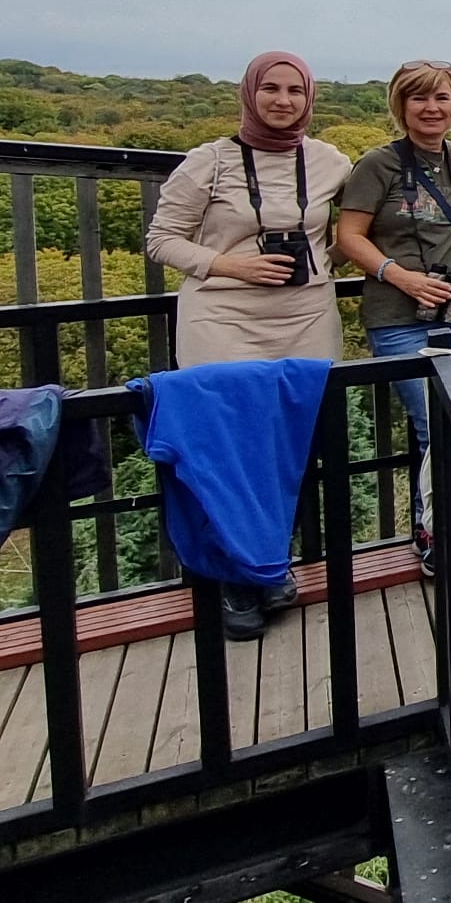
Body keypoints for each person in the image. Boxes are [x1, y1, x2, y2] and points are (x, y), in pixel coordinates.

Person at [144, 50, 351, 639]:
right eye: (272, 89)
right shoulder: (207, 162)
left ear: (311, 99)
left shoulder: (331, 161)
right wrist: (229, 266)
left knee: (291, 439)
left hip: (306, 311)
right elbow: (162, 240)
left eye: (296, 91)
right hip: (223, 313)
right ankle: (240, 576)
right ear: (250, 93)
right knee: (229, 444)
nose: (283, 101)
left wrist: (327, 263)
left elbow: (361, 224)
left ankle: (270, 564)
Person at [334, 60, 451, 575]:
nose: (432, 108)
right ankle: (439, 528)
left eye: (442, 98)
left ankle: (445, 525)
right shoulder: (376, 165)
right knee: (437, 421)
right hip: (398, 313)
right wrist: (397, 274)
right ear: (400, 107)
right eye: (419, 99)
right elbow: (349, 237)